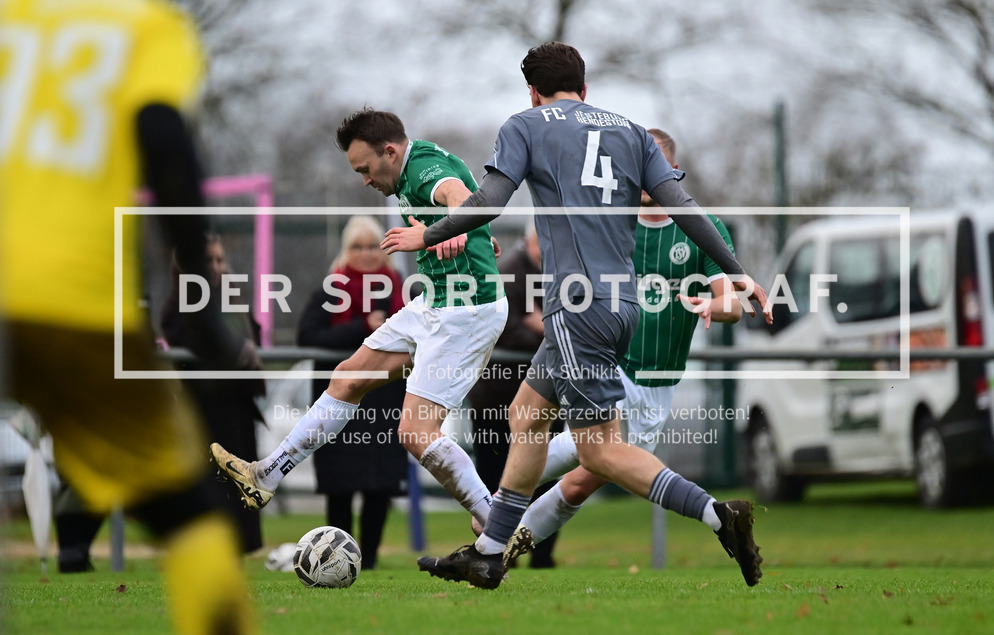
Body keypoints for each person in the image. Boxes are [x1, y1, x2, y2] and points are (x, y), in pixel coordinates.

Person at [382, 42, 771, 590]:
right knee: (527, 415)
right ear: (584, 89)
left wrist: (429, 232)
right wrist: (736, 271)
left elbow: (491, 199)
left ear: (534, 92)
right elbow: (685, 209)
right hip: (620, 307)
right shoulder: (633, 132)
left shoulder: (528, 123)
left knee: (598, 448)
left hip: (575, 306)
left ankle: (717, 515)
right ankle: (490, 552)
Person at [0, 0, 255, 633]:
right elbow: (164, 139)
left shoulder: (8, 16)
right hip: (68, 297)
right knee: (185, 505)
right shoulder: (147, 23)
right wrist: (199, 290)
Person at [211, 109, 508, 534]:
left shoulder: (423, 169)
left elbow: (457, 196)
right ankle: (266, 476)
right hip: (437, 304)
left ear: (390, 152)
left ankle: (495, 521)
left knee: (416, 431)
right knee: (347, 378)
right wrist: (472, 234)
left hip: (467, 312)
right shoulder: (414, 166)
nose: (365, 180)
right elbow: (469, 207)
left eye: (366, 169)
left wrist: (448, 230)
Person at [518, 127, 745, 546]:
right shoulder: (612, 224)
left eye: (654, 167)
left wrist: (714, 306)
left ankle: (498, 533)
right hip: (608, 365)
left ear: (673, 172)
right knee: (574, 447)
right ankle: (494, 518)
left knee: (580, 483)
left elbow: (733, 303)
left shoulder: (701, 227)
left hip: (656, 388)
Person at [296, 216, 408, 570]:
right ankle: (335, 561)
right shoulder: (331, 290)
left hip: (385, 403)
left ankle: (369, 560)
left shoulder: (400, 289)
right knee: (339, 486)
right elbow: (307, 336)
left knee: (379, 487)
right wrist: (362, 328)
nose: (365, 254)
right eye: (357, 247)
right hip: (340, 406)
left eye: (372, 246)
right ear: (346, 250)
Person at [161, 233, 266, 554]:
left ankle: (243, 547)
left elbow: (254, 333)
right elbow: (188, 340)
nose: (218, 267)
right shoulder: (179, 302)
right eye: (210, 260)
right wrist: (232, 347)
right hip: (205, 407)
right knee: (213, 482)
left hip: (238, 404)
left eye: (221, 260)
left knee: (245, 480)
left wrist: (242, 345)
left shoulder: (232, 298)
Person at [466, 221, 563, 568]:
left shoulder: (562, 273)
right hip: (496, 397)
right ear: (530, 242)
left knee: (544, 475)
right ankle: (495, 549)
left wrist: (545, 324)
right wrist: (536, 329)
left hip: (547, 395)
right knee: (493, 477)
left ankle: (542, 554)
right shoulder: (507, 273)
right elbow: (499, 325)